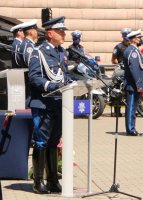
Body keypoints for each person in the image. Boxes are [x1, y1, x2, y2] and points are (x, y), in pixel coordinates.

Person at [28, 16, 71, 194]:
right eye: (60, 31)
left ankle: (53, 180)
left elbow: (64, 76)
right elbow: (34, 78)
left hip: (59, 103)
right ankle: (38, 183)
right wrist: (52, 86)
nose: (64, 34)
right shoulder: (38, 52)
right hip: (43, 104)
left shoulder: (62, 52)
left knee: (54, 141)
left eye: (63, 31)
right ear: (50, 33)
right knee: (41, 142)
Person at [123, 29, 143, 136]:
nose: (140, 39)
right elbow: (134, 69)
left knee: (133, 108)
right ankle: (130, 129)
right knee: (131, 107)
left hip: (134, 84)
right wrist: (138, 84)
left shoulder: (134, 50)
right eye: (139, 37)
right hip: (132, 85)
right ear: (134, 39)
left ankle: (132, 128)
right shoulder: (132, 52)